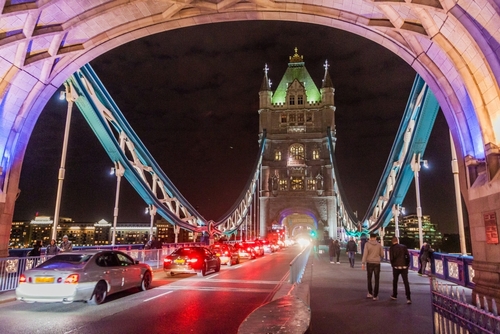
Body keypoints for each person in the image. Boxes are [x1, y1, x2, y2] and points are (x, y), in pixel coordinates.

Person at [361, 233, 384, 301]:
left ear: (370, 237)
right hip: (377, 263)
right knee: (377, 280)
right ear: (376, 237)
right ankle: (375, 295)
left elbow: (365, 254)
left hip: (369, 263)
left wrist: (363, 263)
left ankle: (370, 293)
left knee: (369, 278)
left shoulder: (367, 244)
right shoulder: (379, 245)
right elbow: (382, 254)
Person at [389, 237, 412, 304]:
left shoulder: (392, 248)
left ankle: (395, 295)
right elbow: (408, 256)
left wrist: (393, 265)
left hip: (396, 267)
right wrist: (407, 264)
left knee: (395, 281)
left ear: (392, 241)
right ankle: (408, 298)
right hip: (404, 266)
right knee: (406, 282)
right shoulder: (404, 247)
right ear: (397, 241)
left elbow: (391, 258)